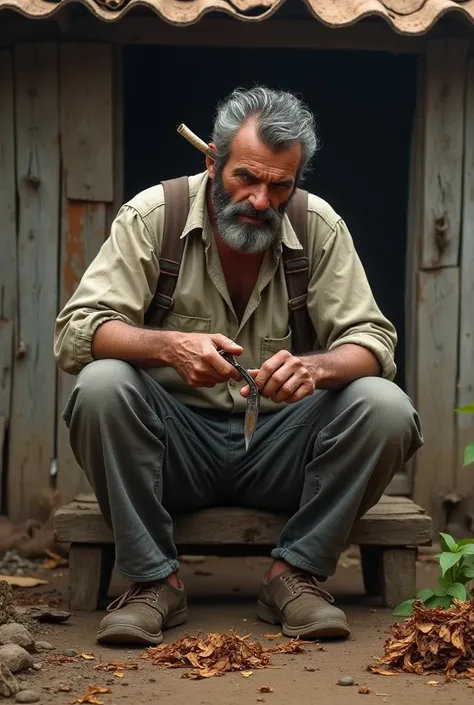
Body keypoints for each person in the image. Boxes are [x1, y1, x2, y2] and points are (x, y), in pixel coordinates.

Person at [54, 86, 423, 647]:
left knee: (386, 407)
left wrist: (316, 370)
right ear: (211, 161)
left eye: (280, 185)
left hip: (282, 454)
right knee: (101, 385)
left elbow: (374, 341)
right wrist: (170, 348)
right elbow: (75, 332)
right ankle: (154, 582)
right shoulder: (154, 216)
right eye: (245, 179)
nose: (260, 200)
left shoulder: (317, 225)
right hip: (172, 451)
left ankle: (295, 576)